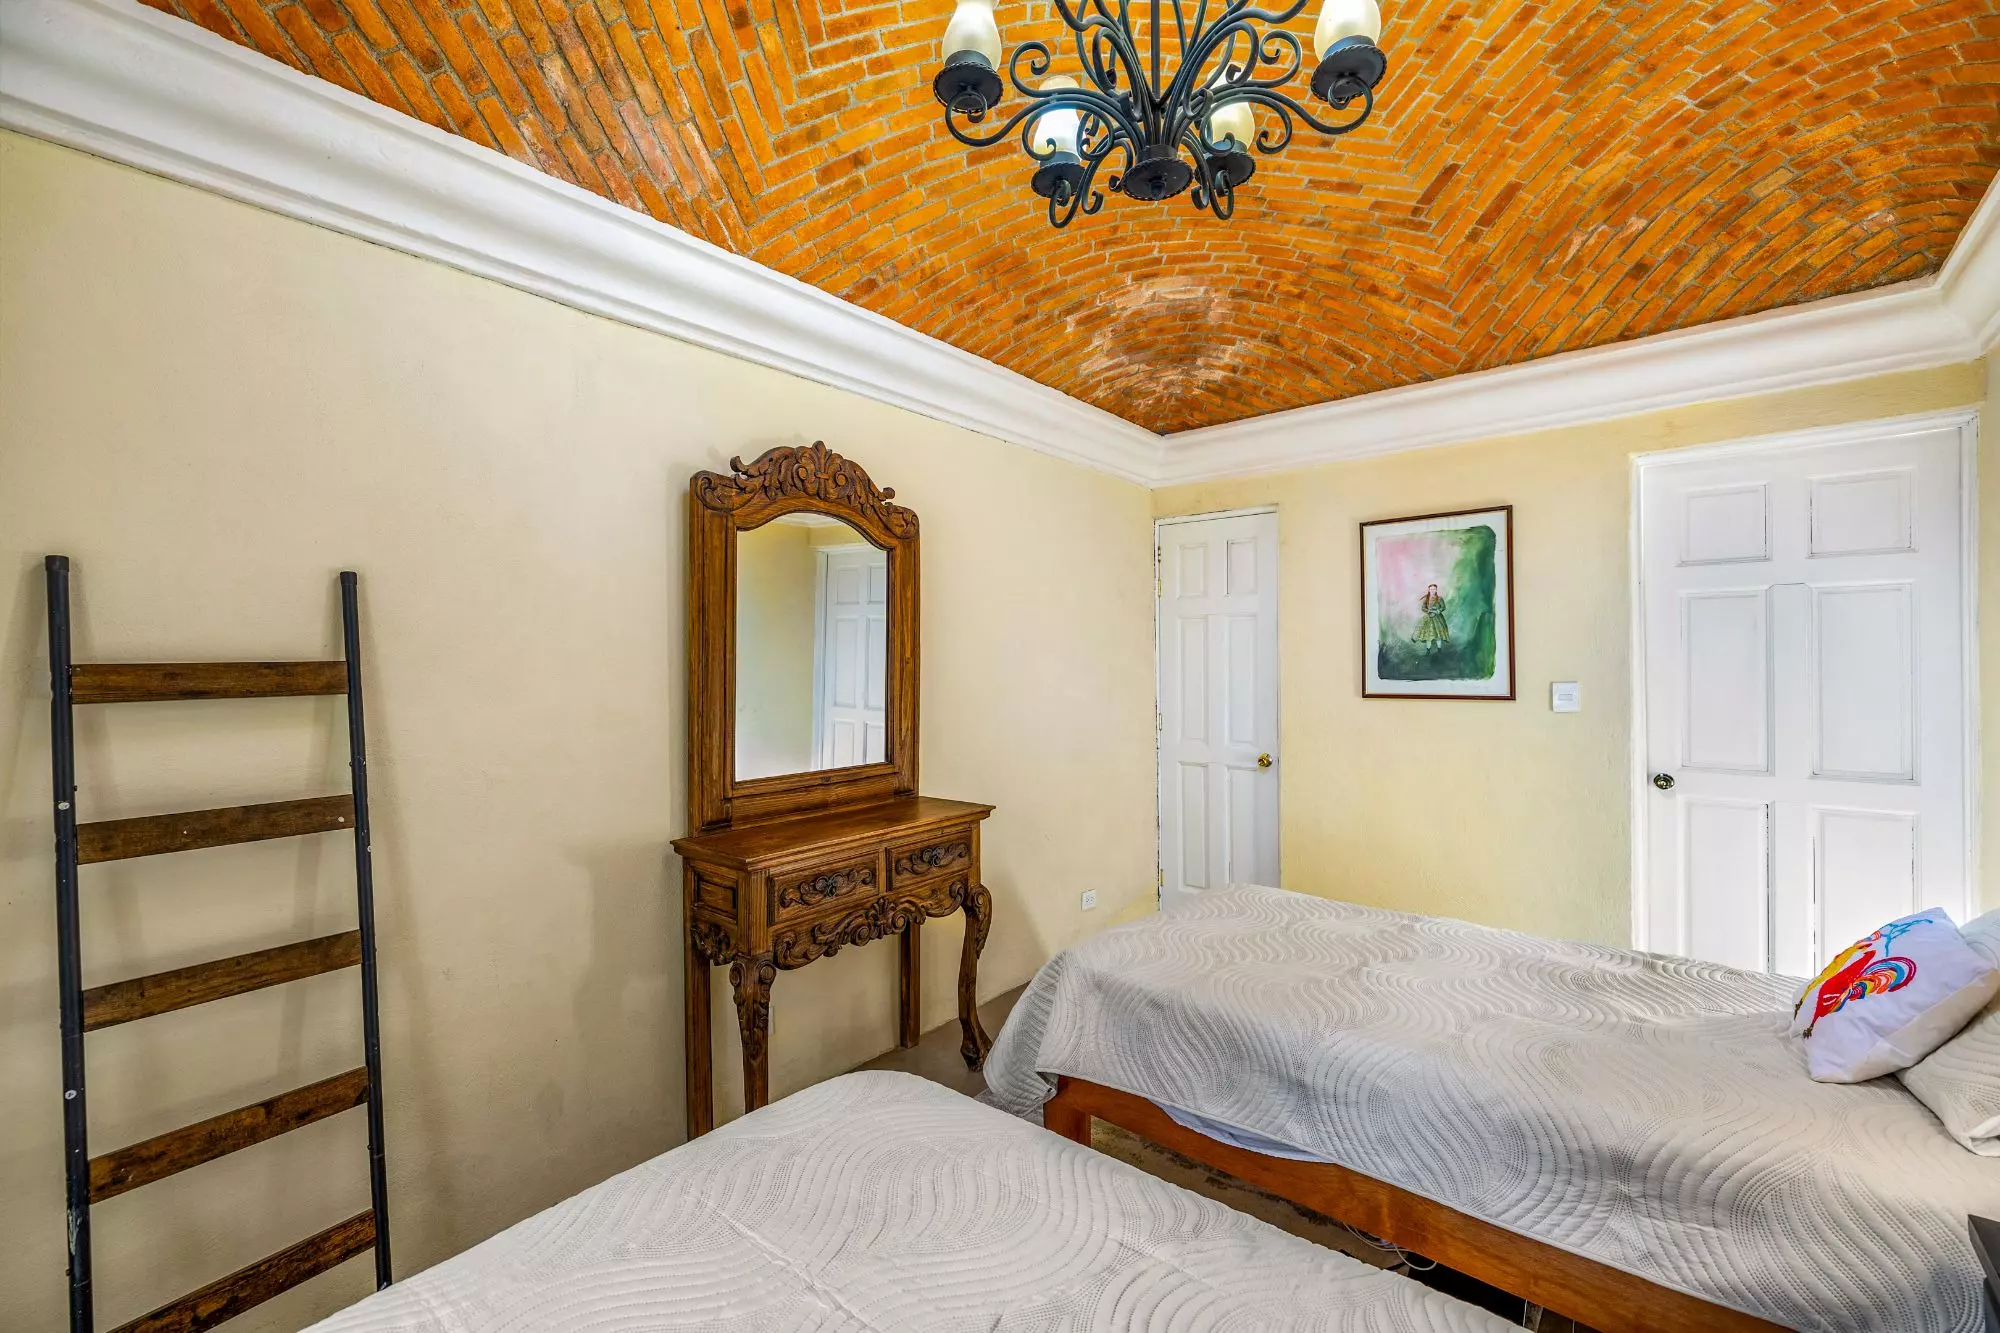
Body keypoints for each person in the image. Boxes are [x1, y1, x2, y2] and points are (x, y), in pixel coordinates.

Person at [1412, 582, 1449, 650]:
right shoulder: (1426, 599)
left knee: (1438, 635)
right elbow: (1423, 608)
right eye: (1431, 589)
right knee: (1428, 635)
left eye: (1434, 589)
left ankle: (1439, 650)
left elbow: (1443, 607)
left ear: (1436, 590)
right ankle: (1428, 650)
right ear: (1429, 590)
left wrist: (1437, 611)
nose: (1432, 590)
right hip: (1428, 618)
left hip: (1438, 618)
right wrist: (1428, 611)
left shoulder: (1440, 598)